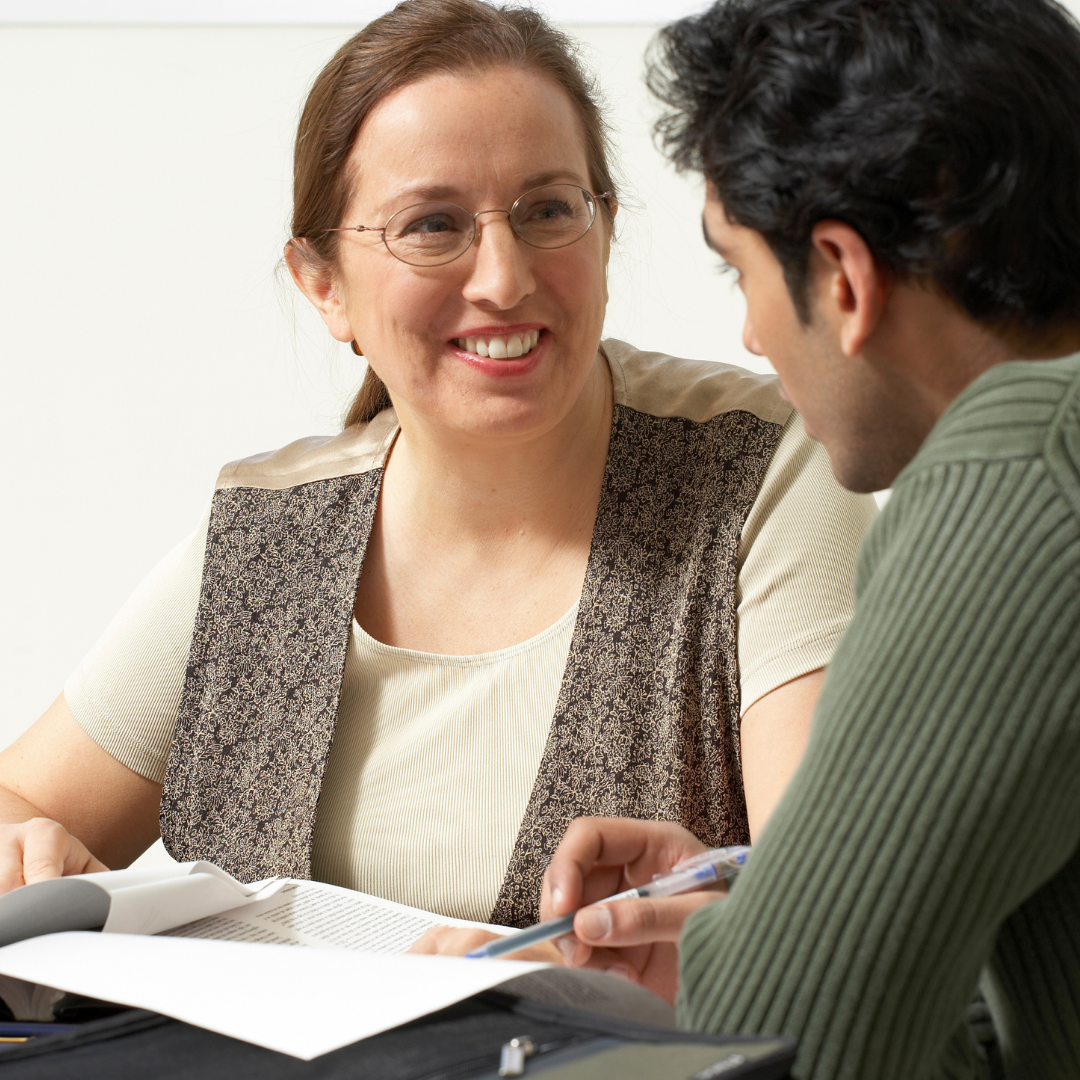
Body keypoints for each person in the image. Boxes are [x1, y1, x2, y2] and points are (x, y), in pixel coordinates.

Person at [0, 0, 874, 931]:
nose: (502, 278)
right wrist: (28, 848)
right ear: (323, 286)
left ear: (606, 229)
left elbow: (821, 916)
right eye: (431, 225)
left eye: (547, 210)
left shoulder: (766, 469)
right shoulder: (268, 540)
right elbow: (21, 804)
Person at [533, 0, 1080, 1074]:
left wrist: (764, 957)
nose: (746, 333)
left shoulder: (1019, 475)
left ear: (839, 273)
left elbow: (798, 1046)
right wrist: (780, 917)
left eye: (737, 268)